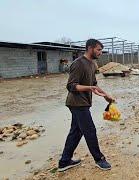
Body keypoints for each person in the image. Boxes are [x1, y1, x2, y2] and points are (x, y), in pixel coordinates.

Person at [58, 39, 115, 172]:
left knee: (76, 132)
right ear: (90, 48)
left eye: (101, 50)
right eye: (98, 50)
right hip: (77, 103)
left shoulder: (92, 64)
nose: (100, 53)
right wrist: (89, 88)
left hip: (83, 102)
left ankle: (64, 161)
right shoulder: (78, 64)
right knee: (90, 130)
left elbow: (94, 85)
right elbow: (71, 86)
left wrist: (106, 95)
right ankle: (99, 159)